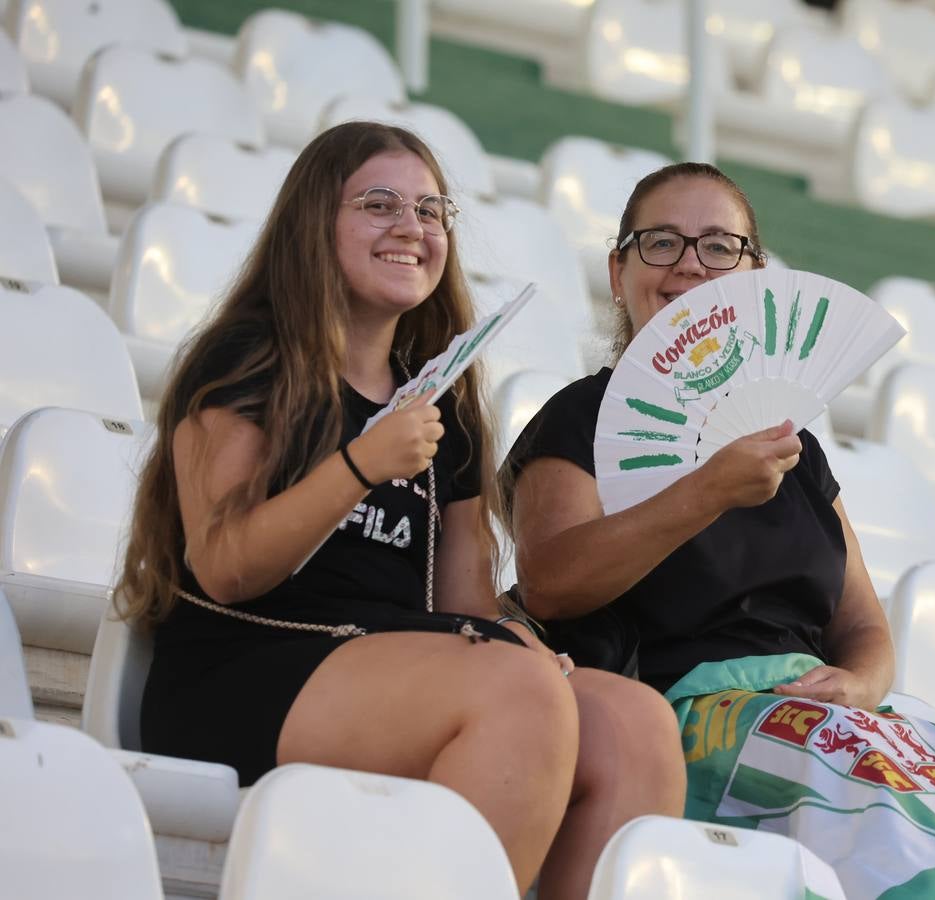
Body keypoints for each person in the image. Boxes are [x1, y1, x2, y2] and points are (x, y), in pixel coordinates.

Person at [506, 162, 935, 898]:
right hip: (687, 713)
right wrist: (706, 491)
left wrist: (860, 685)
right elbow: (551, 585)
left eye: (718, 247)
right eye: (661, 243)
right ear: (619, 271)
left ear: (754, 276)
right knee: (910, 853)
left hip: (825, 715)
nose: (688, 267)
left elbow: (863, 622)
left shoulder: (791, 443)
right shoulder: (581, 419)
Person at [115, 121, 684, 899]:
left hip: (395, 664)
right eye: (379, 204)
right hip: (245, 664)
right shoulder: (248, 363)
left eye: (429, 210)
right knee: (516, 695)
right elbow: (227, 568)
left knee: (635, 725)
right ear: (315, 224)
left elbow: (461, 606)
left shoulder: (439, 394)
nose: (410, 228)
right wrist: (360, 465)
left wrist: (513, 636)